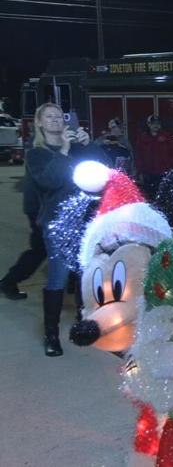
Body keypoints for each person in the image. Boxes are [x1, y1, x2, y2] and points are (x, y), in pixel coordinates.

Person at [25, 103, 103, 356]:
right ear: (40, 122)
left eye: (60, 116)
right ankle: (51, 335)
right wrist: (66, 150)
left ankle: (84, 325)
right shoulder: (37, 154)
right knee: (58, 277)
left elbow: (102, 172)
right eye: (50, 117)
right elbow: (50, 180)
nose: (56, 121)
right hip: (57, 224)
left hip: (85, 220)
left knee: (84, 274)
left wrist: (89, 145)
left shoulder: (77, 147)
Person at [0, 170, 45, 300]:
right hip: (41, 209)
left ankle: (9, 281)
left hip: (40, 207)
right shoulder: (40, 153)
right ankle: (9, 282)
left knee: (41, 249)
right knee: (40, 249)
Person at [132, 115, 173, 199]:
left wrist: (171, 168)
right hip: (148, 174)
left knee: (163, 196)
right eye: (153, 124)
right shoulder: (143, 138)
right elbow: (138, 156)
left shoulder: (167, 137)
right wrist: (140, 171)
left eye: (158, 123)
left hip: (164, 173)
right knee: (150, 196)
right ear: (148, 125)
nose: (155, 126)